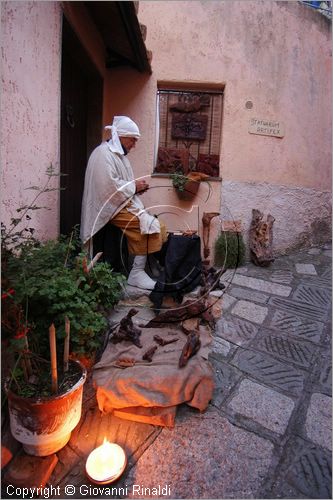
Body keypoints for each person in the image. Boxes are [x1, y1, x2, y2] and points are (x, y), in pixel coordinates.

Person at [80, 116, 166, 290]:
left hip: (119, 204)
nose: (134, 145)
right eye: (132, 140)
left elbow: (119, 184)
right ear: (121, 135)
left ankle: (144, 269)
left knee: (158, 226)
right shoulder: (103, 154)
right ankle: (136, 274)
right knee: (149, 225)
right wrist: (134, 187)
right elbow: (107, 187)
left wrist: (136, 189)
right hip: (109, 207)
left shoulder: (118, 156)